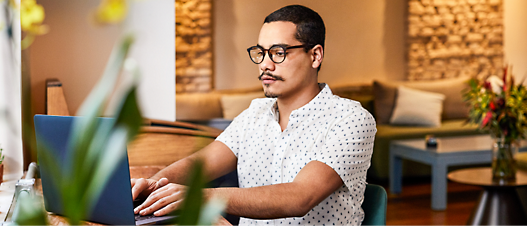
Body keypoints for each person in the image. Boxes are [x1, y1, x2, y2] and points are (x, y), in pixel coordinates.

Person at [132, 5, 376, 226]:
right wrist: (153, 185)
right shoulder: (253, 114)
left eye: (278, 52)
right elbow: (200, 165)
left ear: (315, 56)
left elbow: (300, 197)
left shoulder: (350, 119)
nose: (265, 65)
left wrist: (202, 197)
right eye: (261, 52)